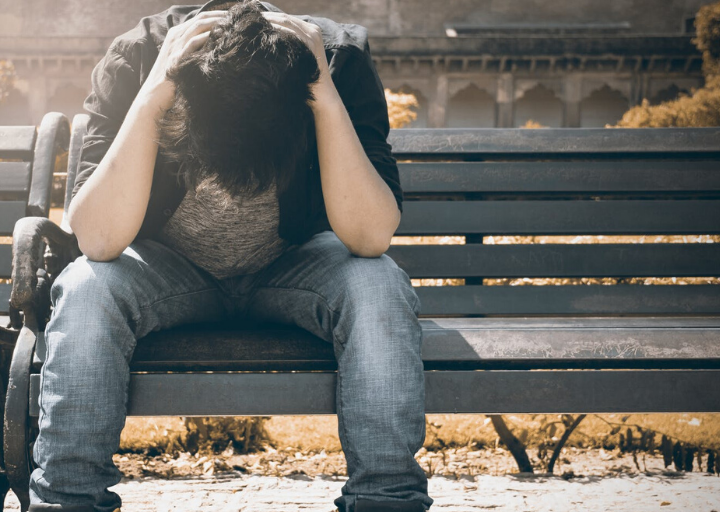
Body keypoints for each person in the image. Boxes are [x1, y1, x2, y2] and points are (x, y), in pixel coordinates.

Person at [30, 1, 432, 511]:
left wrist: (324, 96)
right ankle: (68, 500)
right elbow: (98, 239)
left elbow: (370, 237)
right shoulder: (139, 57)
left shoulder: (338, 59)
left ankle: (386, 500)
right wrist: (155, 93)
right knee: (87, 288)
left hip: (295, 263)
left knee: (378, 284)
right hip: (168, 269)